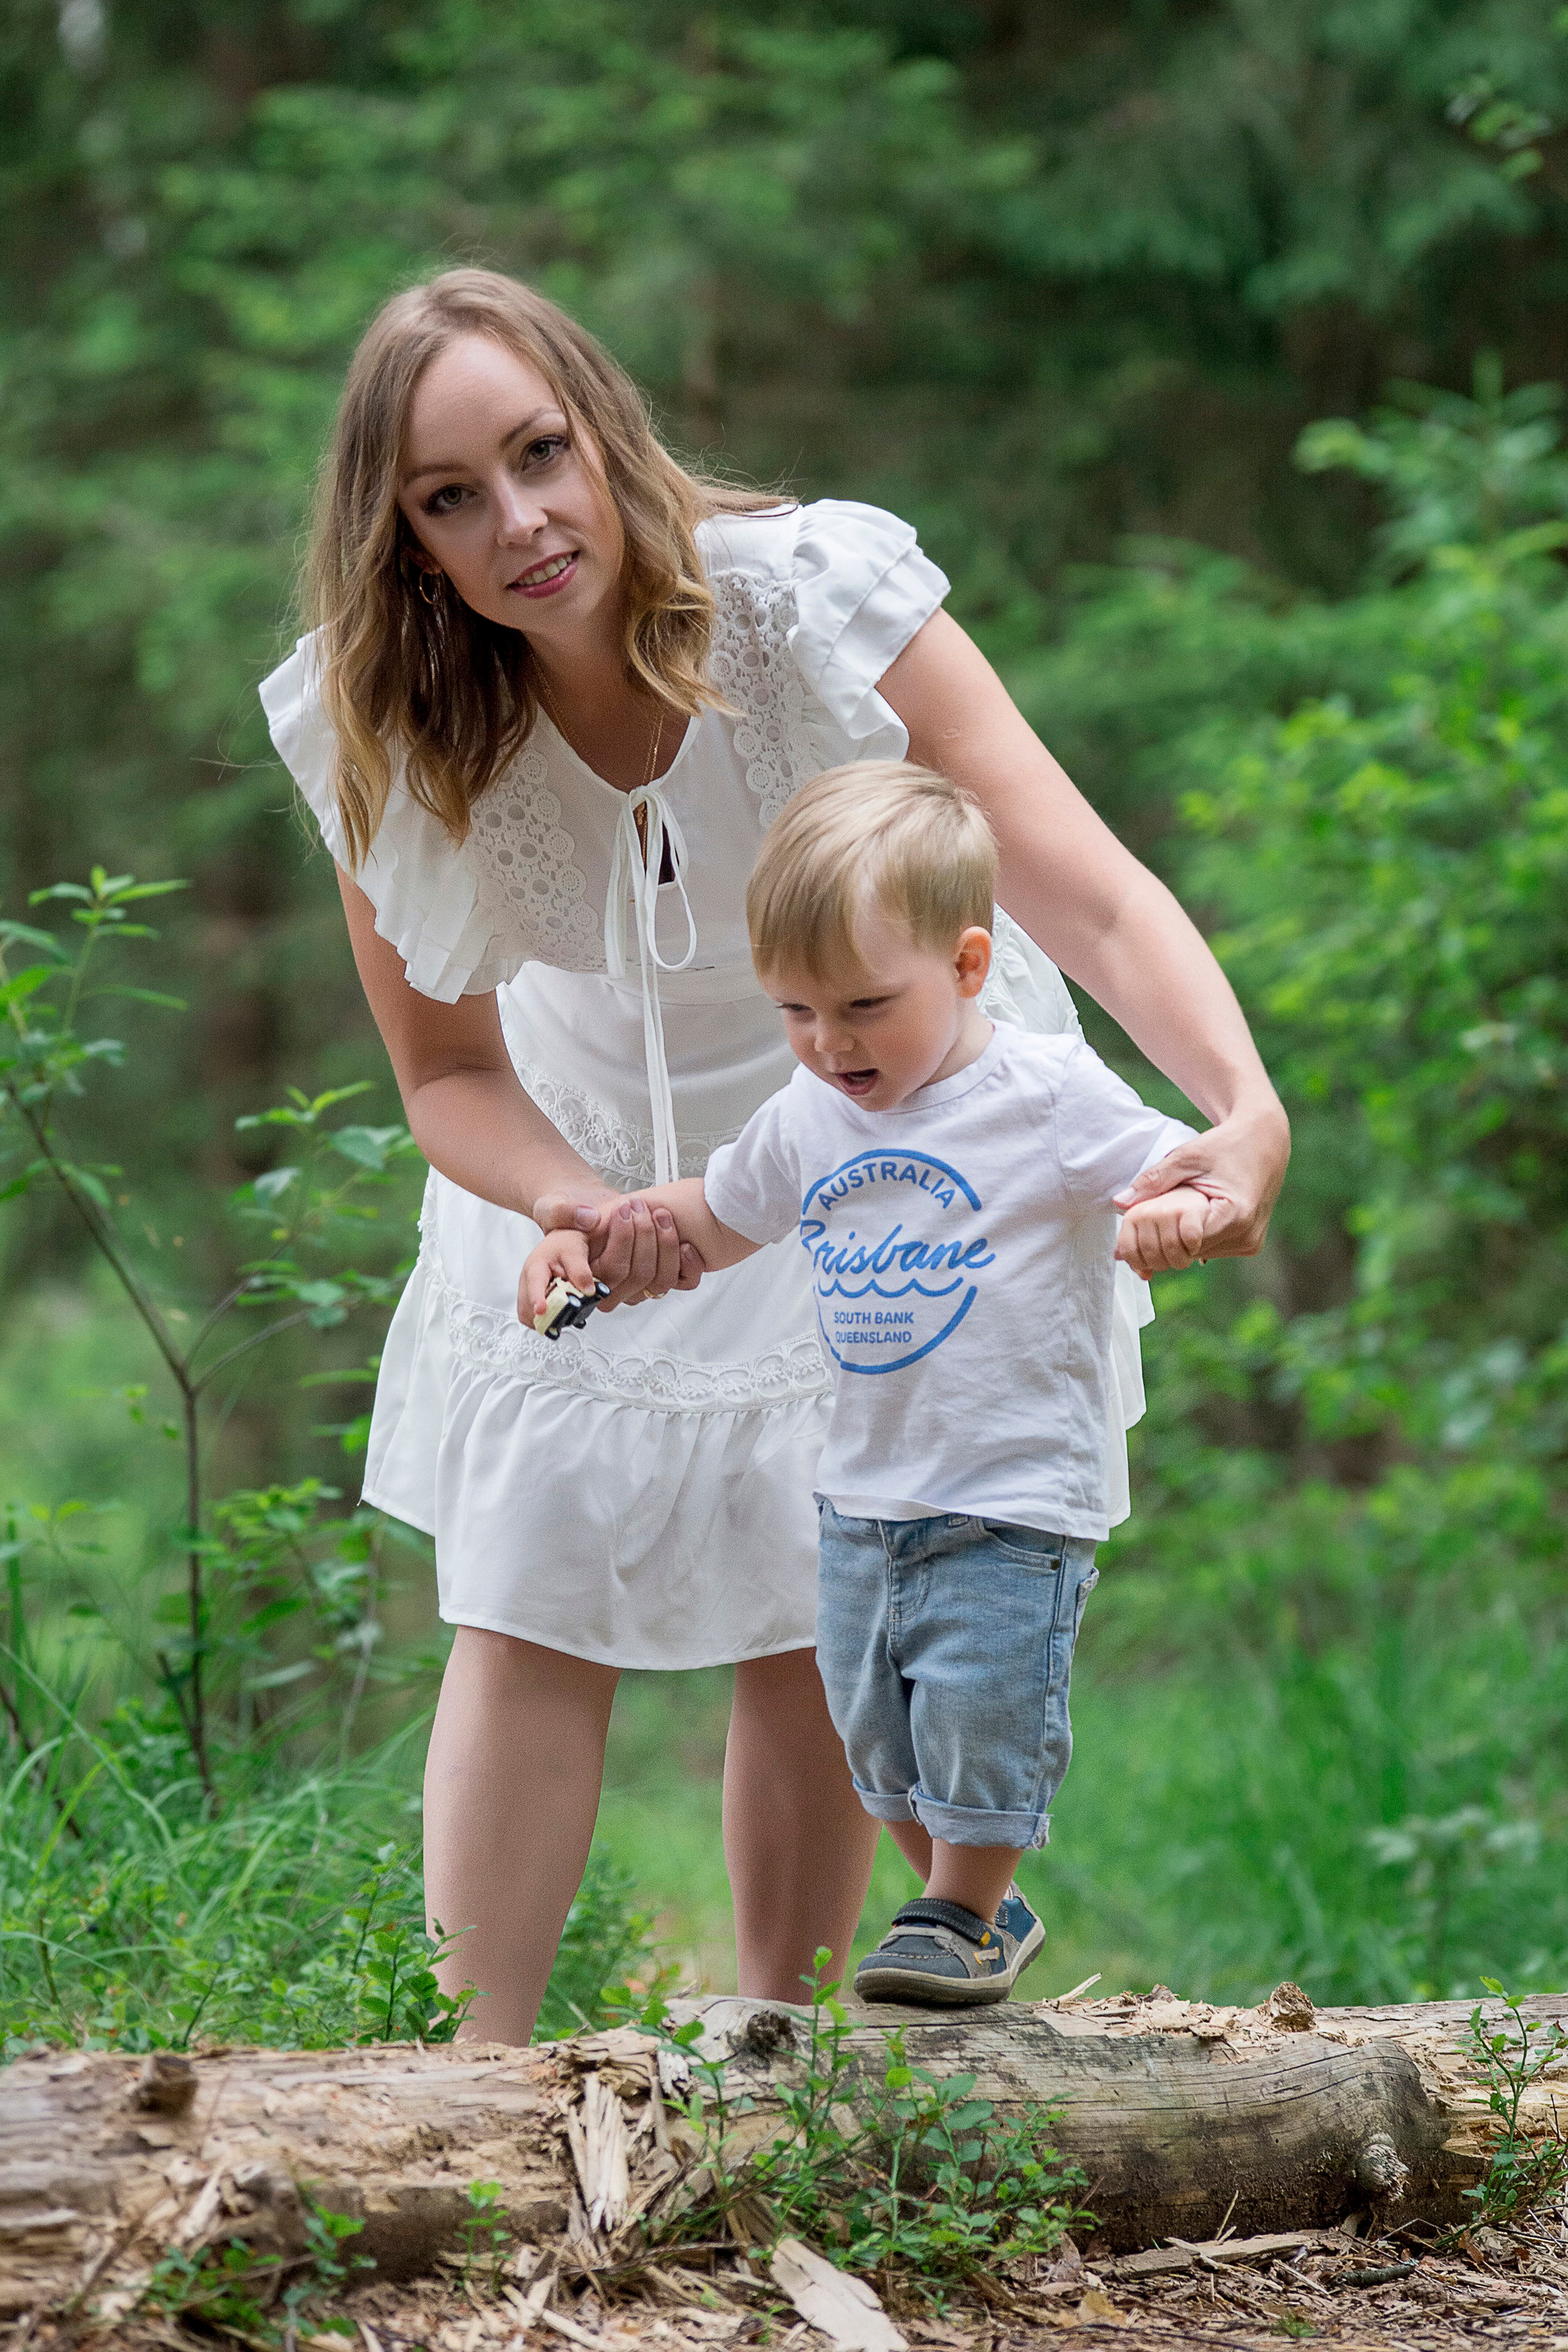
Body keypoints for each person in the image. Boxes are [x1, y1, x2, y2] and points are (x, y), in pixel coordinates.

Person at [259, 266, 1288, 2045]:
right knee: (522, 1592)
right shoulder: (379, 726)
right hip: (573, 1163)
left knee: (818, 1594)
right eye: (450, 497)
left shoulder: (807, 599)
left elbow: (1082, 884)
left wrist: (1239, 1098)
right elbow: (441, 1070)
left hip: (885, 1131)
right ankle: (458, 2089)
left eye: (539, 454)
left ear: (603, 433)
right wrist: (572, 1205)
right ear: (401, 538)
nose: (519, 522)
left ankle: (788, 2061)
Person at [522, 760, 1208, 2005]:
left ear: (967, 966)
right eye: (795, 1011)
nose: (830, 1043)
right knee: (872, 1732)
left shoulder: (1042, 1092)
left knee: (980, 1710)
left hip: (1012, 1489)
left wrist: (1186, 1207)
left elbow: (1170, 1164)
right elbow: (714, 1219)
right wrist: (600, 1244)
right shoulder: (810, 1114)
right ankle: (978, 1916)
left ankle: (960, 1907)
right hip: (867, 1492)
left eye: (861, 1006)